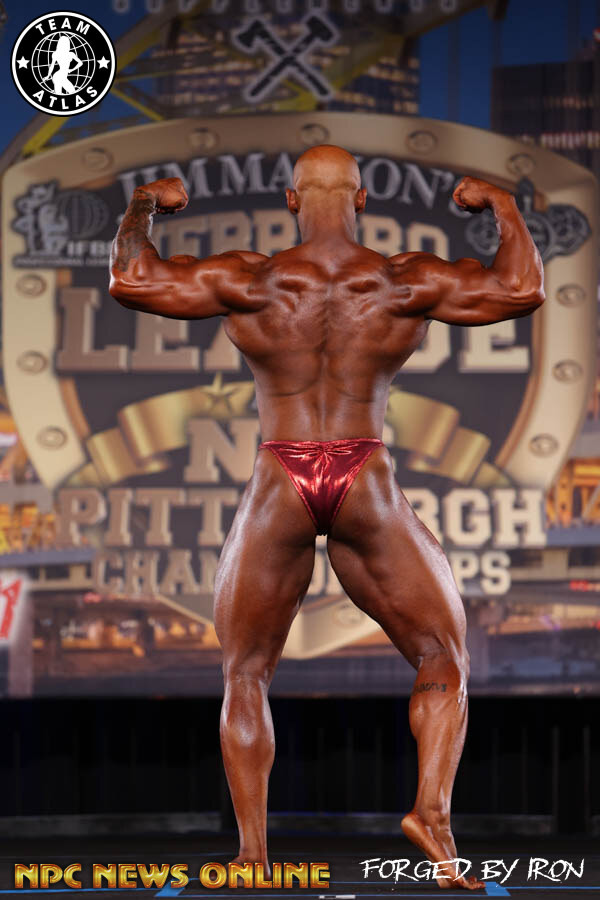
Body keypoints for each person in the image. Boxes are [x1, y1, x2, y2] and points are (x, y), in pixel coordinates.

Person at [109, 145, 544, 890]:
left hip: (279, 472)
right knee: (442, 655)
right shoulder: (402, 279)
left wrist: (145, 204)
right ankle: (432, 817)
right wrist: (502, 206)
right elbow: (521, 290)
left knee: (246, 672)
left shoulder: (252, 279)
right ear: (362, 199)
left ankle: (252, 858)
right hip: (363, 472)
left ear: (290, 200)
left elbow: (131, 279)